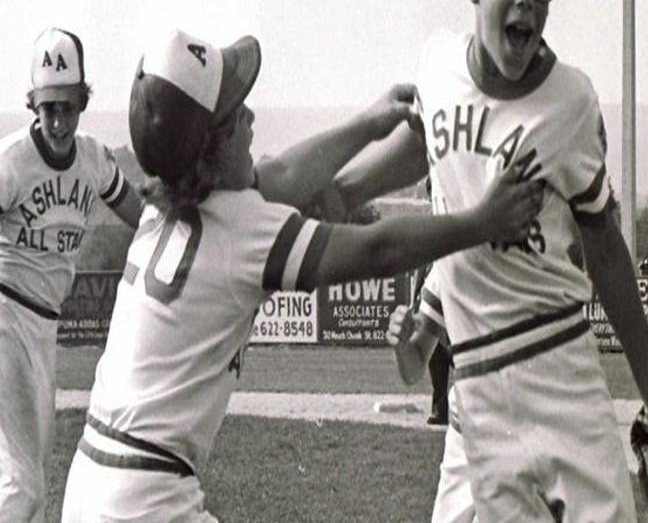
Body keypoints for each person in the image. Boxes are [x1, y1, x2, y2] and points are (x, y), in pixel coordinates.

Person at [60, 29, 543, 522]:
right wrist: (482, 221)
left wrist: (368, 123)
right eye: (236, 114)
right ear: (214, 147)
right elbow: (378, 250)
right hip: (147, 498)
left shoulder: (166, 202)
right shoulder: (245, 230)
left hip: (92, 480)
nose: (250, 118)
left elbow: (284, 175)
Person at [330, 0, 648, 521]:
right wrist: (333, 193)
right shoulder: (436, 66)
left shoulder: (570, 102)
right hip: (477, 406)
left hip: (563, 386)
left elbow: (603, 246)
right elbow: (426, 148)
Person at [0, 28, 143, 522]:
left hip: (43, 326)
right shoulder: (11, 162)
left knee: (32, 470)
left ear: (83, 101)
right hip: (4, 314)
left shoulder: (92, 159)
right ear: (33, 106)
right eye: (48, 108)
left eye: (68, 107)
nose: (58, 121)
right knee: (22, 484)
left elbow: (140, 212)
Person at [389, 271, 476, 523]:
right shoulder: (447, 266)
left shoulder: (536, 255)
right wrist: (402, 344)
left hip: (517, 440)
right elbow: (414, 365)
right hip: (464, 441)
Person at [412, 262, 451, 425]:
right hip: (433, 297)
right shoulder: (429, 246)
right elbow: (420, 268)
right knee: (436, 355)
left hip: (454, 296)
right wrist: (414, 298)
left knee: (458, 351)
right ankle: (439, 410)